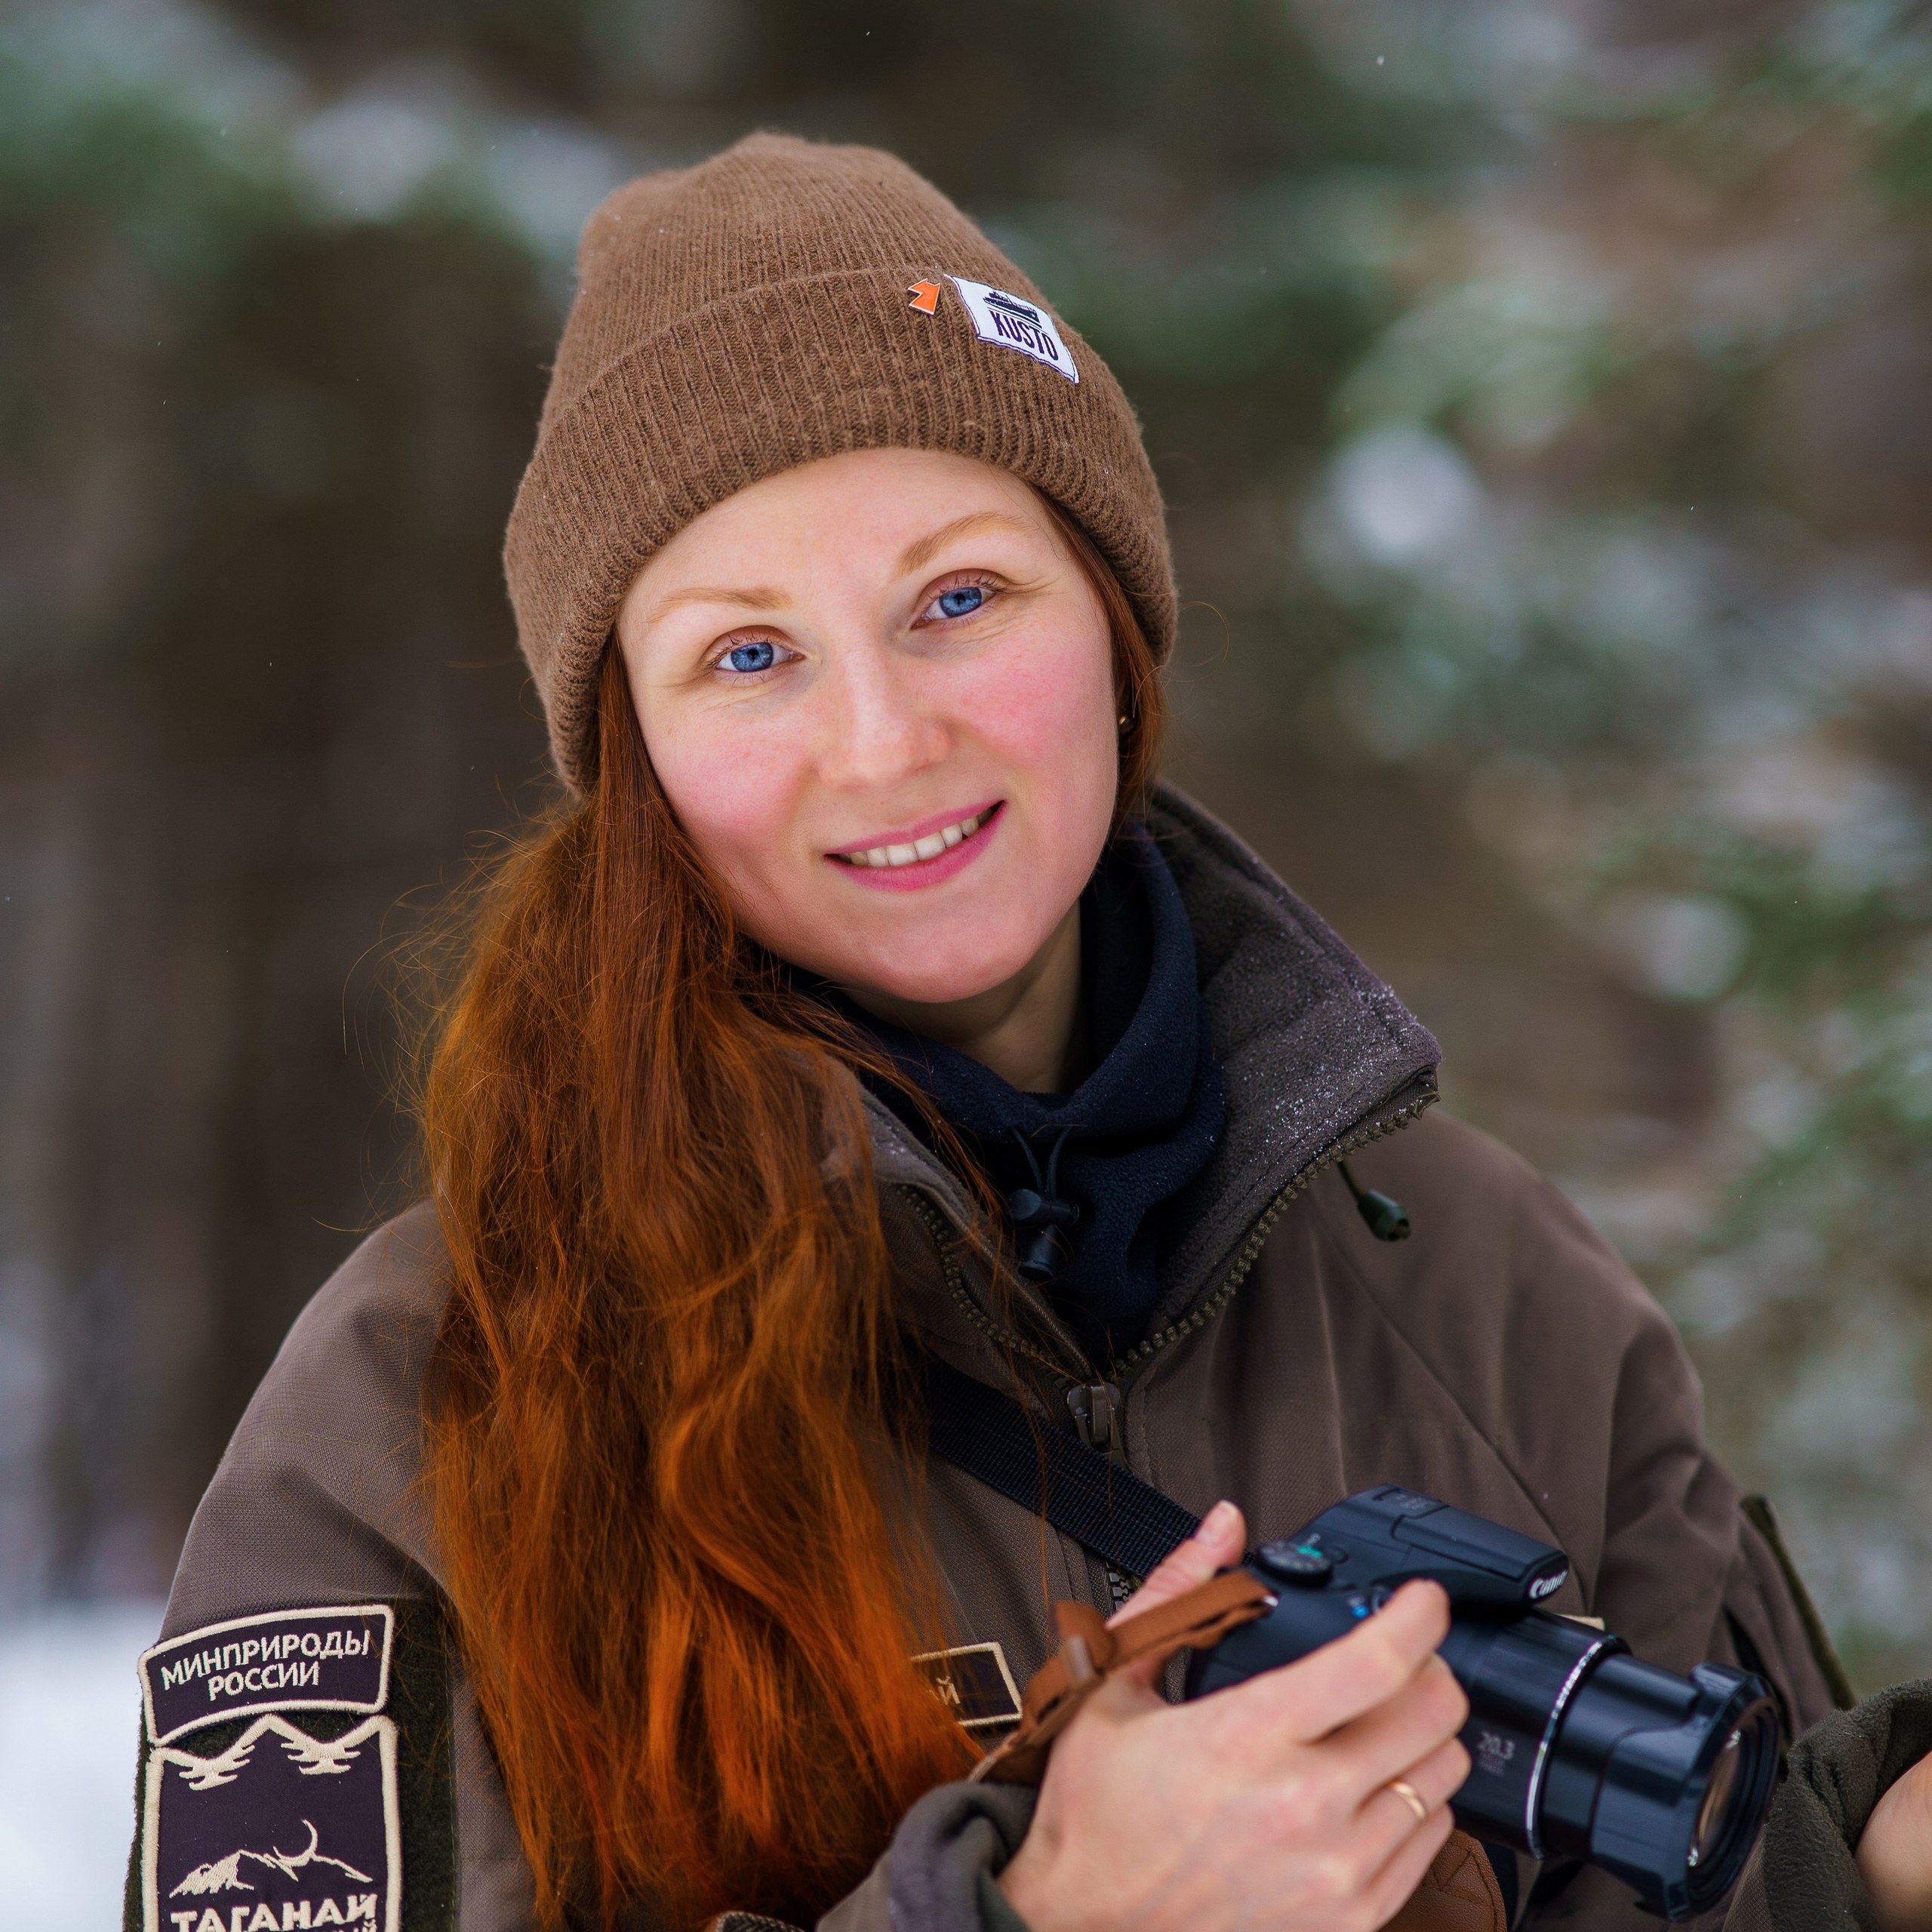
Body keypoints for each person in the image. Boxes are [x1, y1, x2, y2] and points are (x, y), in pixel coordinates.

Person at [125, 134, 1932, 1932]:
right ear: (637, 766)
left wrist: (1871, 1868)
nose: (885, 740)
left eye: (960, 599)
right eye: (747, 655)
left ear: (1117, 630)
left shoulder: (1488, 1285)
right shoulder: (422, 1397)